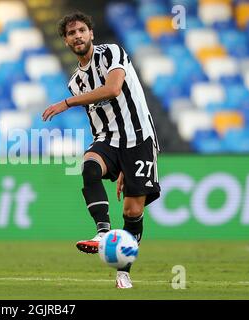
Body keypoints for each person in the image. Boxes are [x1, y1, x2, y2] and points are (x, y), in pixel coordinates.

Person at [42, 11, 161, 289]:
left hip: (139, 140)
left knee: (132, 212)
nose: (78, 36)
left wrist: (67, 103)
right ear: (66, 41)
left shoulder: (111, 54)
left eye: (82, 30)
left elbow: (114, 89)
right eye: (71, 33)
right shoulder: (76, 81)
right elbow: (98, 123)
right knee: (90, 166)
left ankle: (124, 271)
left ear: (91, 33)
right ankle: (102, 232)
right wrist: (116, 165)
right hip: (108, 137)